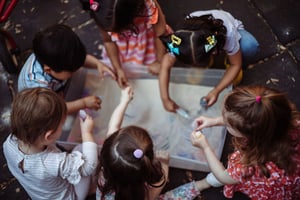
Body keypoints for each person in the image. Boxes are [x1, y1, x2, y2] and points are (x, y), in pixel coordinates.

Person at [95, 85, 210, 200]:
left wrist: (124, 101)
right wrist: (165, 164)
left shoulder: (110, 157)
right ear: (147, 163)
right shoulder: (139, 194)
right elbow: (156, 190)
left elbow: (114, 125)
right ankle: (202, 184)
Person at [190, 85, 300, 199]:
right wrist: (214, 121)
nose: (223, 120)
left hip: (272, 181)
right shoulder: (285, 122)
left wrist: (205, 147)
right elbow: (249, 120)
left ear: (248, 134)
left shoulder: (249, 165)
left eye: (228, 123)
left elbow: (223, 177)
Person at [3, 87, 98, 200]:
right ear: (48, 136)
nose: (62, 127)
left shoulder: (8, 144)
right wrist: (87, 133)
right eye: (61, 125)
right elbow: (89, 167)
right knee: (80, 149)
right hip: (69, 197)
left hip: (39, 195)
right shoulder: (56, 162)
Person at [159, 9, 259, 112]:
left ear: (213, 51)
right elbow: (165, 65)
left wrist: (216, 90)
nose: (195, 68)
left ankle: (229, 58)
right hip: (207, 38)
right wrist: (165, 99)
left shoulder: (227, 34)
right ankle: (219, 57)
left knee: (249, 46)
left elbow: (236, 65)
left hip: (227, 31)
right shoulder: (183, 40)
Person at [18, 24, 116, 114]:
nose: (75, 71)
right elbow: (54, 110)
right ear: (48, 70)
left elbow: (80, 60)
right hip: (39, 106)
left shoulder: (57, 60)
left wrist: (98, 64)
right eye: (72, 71)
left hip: (55, 86)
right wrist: (83, 103)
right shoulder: (37, 85)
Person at [85, 0, 172, 88]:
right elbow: (109, 42)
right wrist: (118, 68)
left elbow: (161, 33)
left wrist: (159, 61)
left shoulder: (149, 5)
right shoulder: (101, 13)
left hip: (145, 45)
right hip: (120, 50)